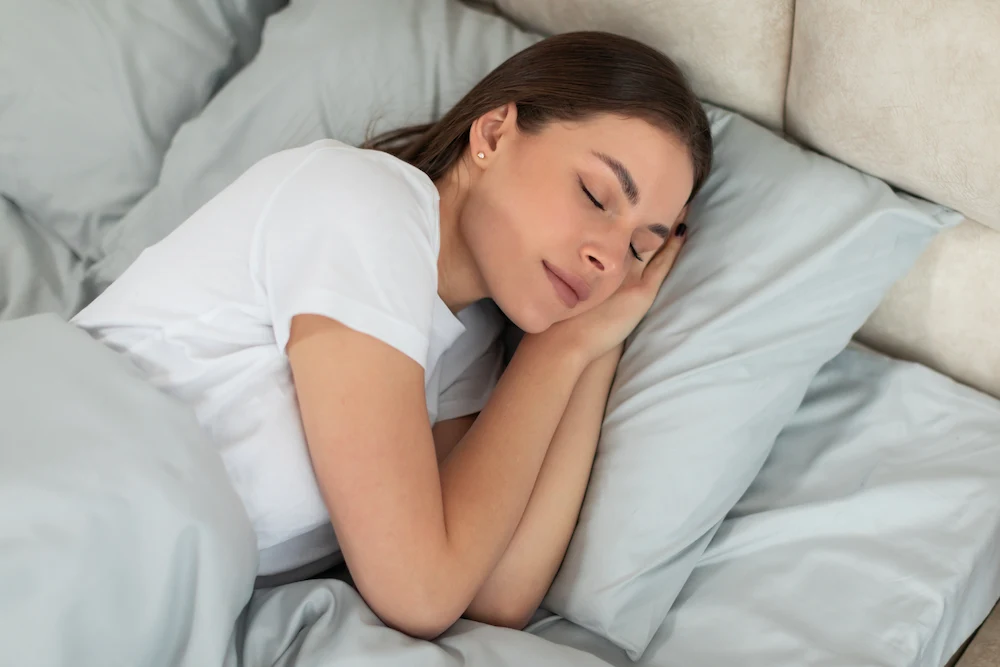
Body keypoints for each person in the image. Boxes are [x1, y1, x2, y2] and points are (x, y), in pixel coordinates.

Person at [71, 31, 712, 638]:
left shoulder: (468, 345)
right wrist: (558, 352)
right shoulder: (364, 206)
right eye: (596, 196)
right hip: (62, 509)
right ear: (493, 133)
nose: (608, 257)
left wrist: (579, 346)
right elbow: (422, 592)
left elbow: (495, 591)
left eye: (639, 248)